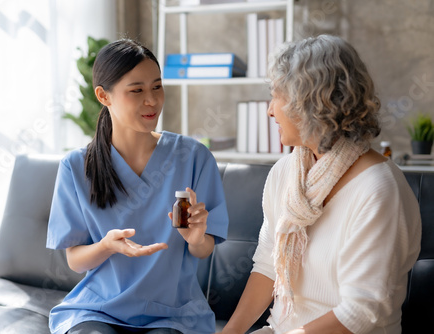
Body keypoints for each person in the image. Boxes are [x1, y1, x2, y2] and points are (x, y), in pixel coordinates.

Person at [219, 35, 421, 334]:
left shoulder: (378, 189)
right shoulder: (286, 171)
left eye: (277, 96)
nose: (270, 110)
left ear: (311, 102)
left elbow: (361, 311)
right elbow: (267, 266)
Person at [46, 38, 229, 334]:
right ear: (103, 96)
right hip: (98, 310)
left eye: (157, 87)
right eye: (137, 91)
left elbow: (204, 249)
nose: (152, 101)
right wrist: (106, 246)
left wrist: (195, 238)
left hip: (173, 313)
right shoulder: (76, 167)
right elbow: (76, 261)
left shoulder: (193, 157)